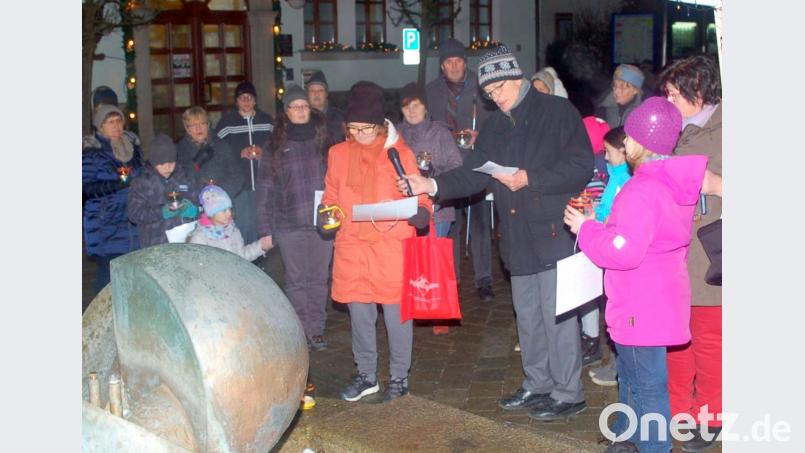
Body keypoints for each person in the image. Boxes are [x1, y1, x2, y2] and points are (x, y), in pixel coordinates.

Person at [402, 44, 592, 421]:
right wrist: (432, 185)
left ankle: (569, 392)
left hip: (554, 229)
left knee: (558, 317)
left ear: (516, 77)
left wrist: (530, 178)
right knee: (527, 315)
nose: (496, 99)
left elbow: (580, 166)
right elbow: (473, 171)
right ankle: (538, 384)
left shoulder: (556, 111)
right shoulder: (493, 125)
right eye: (489, 94)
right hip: (517, 232)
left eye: (499, 90)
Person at [564, 96, 708, 453]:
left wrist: (586, 229)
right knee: (632, 376)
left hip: (639, 304)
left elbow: (624, 252)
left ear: (643, 142)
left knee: (647, 388)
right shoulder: (670, 183)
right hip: (657, 297)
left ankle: (653, 448)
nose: (623, 142)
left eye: (628, 136)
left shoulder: (641, 190)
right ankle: (628, 440)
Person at [322, 81, 432, 403]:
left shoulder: (400, 153)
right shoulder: (338, 154)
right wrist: (325, 214)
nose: (360, 135)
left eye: (366, 128)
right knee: (360, 316)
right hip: (353, 247)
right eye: (353, 129)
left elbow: (420, 195)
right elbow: (331, 194)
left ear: (380, 123)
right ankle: (366, 374)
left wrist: (421, 213)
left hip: (389, 247)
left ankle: (399, 376)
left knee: (397, 316)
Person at [659, 55, 723, 453]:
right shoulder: (674, 129)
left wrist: (718, 183)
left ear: (696, 90)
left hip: (710, 252)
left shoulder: (729, 128)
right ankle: (675, 410)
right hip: (672, 251)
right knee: (675, 339)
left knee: (709, 342)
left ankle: (711, 415)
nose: (667, 101)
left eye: (672, 93)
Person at [255, 84, 334, 352]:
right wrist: (265, 228)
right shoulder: (275, 144)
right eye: (295, 106)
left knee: (319, 278)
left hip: (321, 223)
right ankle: (302, 329)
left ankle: (317, 329)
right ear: (286, 112)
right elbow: (264, 188)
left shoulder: (323, 139)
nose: (301, 110)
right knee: (297, 279)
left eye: (304, 106)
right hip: (289, 223)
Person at [426, 37, 496, 302]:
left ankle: (484, 280)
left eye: (458, 61)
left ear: (465, 62)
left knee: (479, 223)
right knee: (451, 224)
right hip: (447, 166)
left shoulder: (483, 88)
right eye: (448, 62)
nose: (454, 66)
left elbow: (498, 122)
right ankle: (450, 279)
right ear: (442, 66)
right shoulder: (432, 92)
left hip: (476, 163)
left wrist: (481, 135)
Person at [396, 82, 464, 335]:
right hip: (405, 208)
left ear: (425, 106)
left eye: (416, 105)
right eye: (406, 107)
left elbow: (457, 168)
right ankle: (413, 308)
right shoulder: (396, 134)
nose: (412, 111)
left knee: (435, 260)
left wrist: (433, 174)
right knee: (408, 261)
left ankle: (439, 312)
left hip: (437, 207)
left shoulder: (440, 133)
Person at [586, 125, 632, 388]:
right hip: (607, 244)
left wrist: (599, 222)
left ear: (625, 152)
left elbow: (618, 214)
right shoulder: (616, 174)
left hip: (616, 249)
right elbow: (607, 206)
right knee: (612, 307)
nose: (604, 156)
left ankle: (620, 364)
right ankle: (616, 361)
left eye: (609, 151)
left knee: (620, 311)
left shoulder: (627, 179)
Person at [83, 105, 145, 294]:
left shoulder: (133, 148)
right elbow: (85, 189)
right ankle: (99, 319)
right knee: (108, 278)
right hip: (106, 224)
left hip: (133, 222)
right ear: (100, 127)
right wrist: (115, 185)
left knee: (132, 275)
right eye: (110, 122)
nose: (116, 126)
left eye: (119, 121)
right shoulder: (92, 153)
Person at [215, 81, 275, 244]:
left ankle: (262, 260)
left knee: (261, 224)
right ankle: (245, 261)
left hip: (263, 182)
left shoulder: (267, 122)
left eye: (250, 97)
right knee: (243, 224)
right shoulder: (227, 123)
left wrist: (264, 152)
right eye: (242, 98)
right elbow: (217, 151)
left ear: (255, 100)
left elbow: (277, 146)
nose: (247, 101)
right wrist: (239, 153)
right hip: (239, 184)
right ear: (237, 102)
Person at [577, 115, 612, 368]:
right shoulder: (608, 163)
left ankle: (591, 340)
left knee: (588, 289)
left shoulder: (589, 163)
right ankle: (596, 338)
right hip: (603, 233)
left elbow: (591, 197)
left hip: (591, 232)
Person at [127, 134, 199, 247]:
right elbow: (134, 214)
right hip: (156, 243)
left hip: (187, 241)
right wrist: (161, 212)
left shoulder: (186, 177)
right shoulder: (142, 182)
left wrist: (194, 210)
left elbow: (199, 201)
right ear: (153, 162)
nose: (167, 167)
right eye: (161, 164)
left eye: (171, 163)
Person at [177, 107, 244, 201]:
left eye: (202, 123)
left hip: (221, 203)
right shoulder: (180, 150)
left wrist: (219, 193)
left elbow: (237, 176)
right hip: (193, 204)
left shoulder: (222, 146)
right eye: (193, 125)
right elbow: (178, 181)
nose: (198, 128)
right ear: (187, 129)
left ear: (208, 125)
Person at [188, 184, 272, 260]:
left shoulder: (233, 231)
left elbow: (241, 257)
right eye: (224, 210)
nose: (229, 213)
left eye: (230, 209)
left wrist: (261, 246)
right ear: (211, 213)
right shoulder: (200, 238)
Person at [596, 64, 645, 128]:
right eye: (615, 86)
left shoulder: (643, 113)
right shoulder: (602, 109)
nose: (616, 91)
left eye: (623, 88)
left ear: (635, 90)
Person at [306, 70, 346, 143]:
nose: (316, 94)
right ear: (307, 94)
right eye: (312, 91)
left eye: (320, 90)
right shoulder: (302, 118)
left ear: (326, 93)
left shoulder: (341, 118)